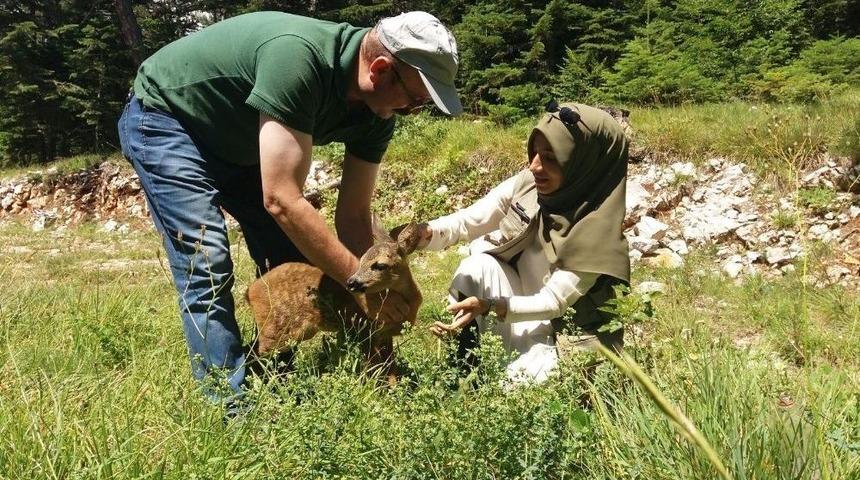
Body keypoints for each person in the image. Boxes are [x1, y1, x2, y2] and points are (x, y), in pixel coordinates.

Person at [117, 10, 462, 404]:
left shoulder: (377, 115)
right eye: (416, 100)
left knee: (293, 258)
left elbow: (353, 217)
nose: (412, 112)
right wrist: (359, 286)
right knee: (206, 262)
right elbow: (281, 199)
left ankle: (276, 376)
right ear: (380, 70)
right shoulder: (299, 60)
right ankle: (229, 409)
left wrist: (371, 287)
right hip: (169, 119)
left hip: (242, 144)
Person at [407, 102, 630, 384]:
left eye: (551, 157)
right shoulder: (529, 183)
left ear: (584, 163)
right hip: (511, 304)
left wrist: (489, 305)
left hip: (561, 335)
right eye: (535, 152)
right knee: (475, 266)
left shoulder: (598, 234)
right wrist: (424, 232)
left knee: (521, 387)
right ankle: (462, 377)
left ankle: (502, 380)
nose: (535, 166)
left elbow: (553, 303)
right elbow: (471, 220)